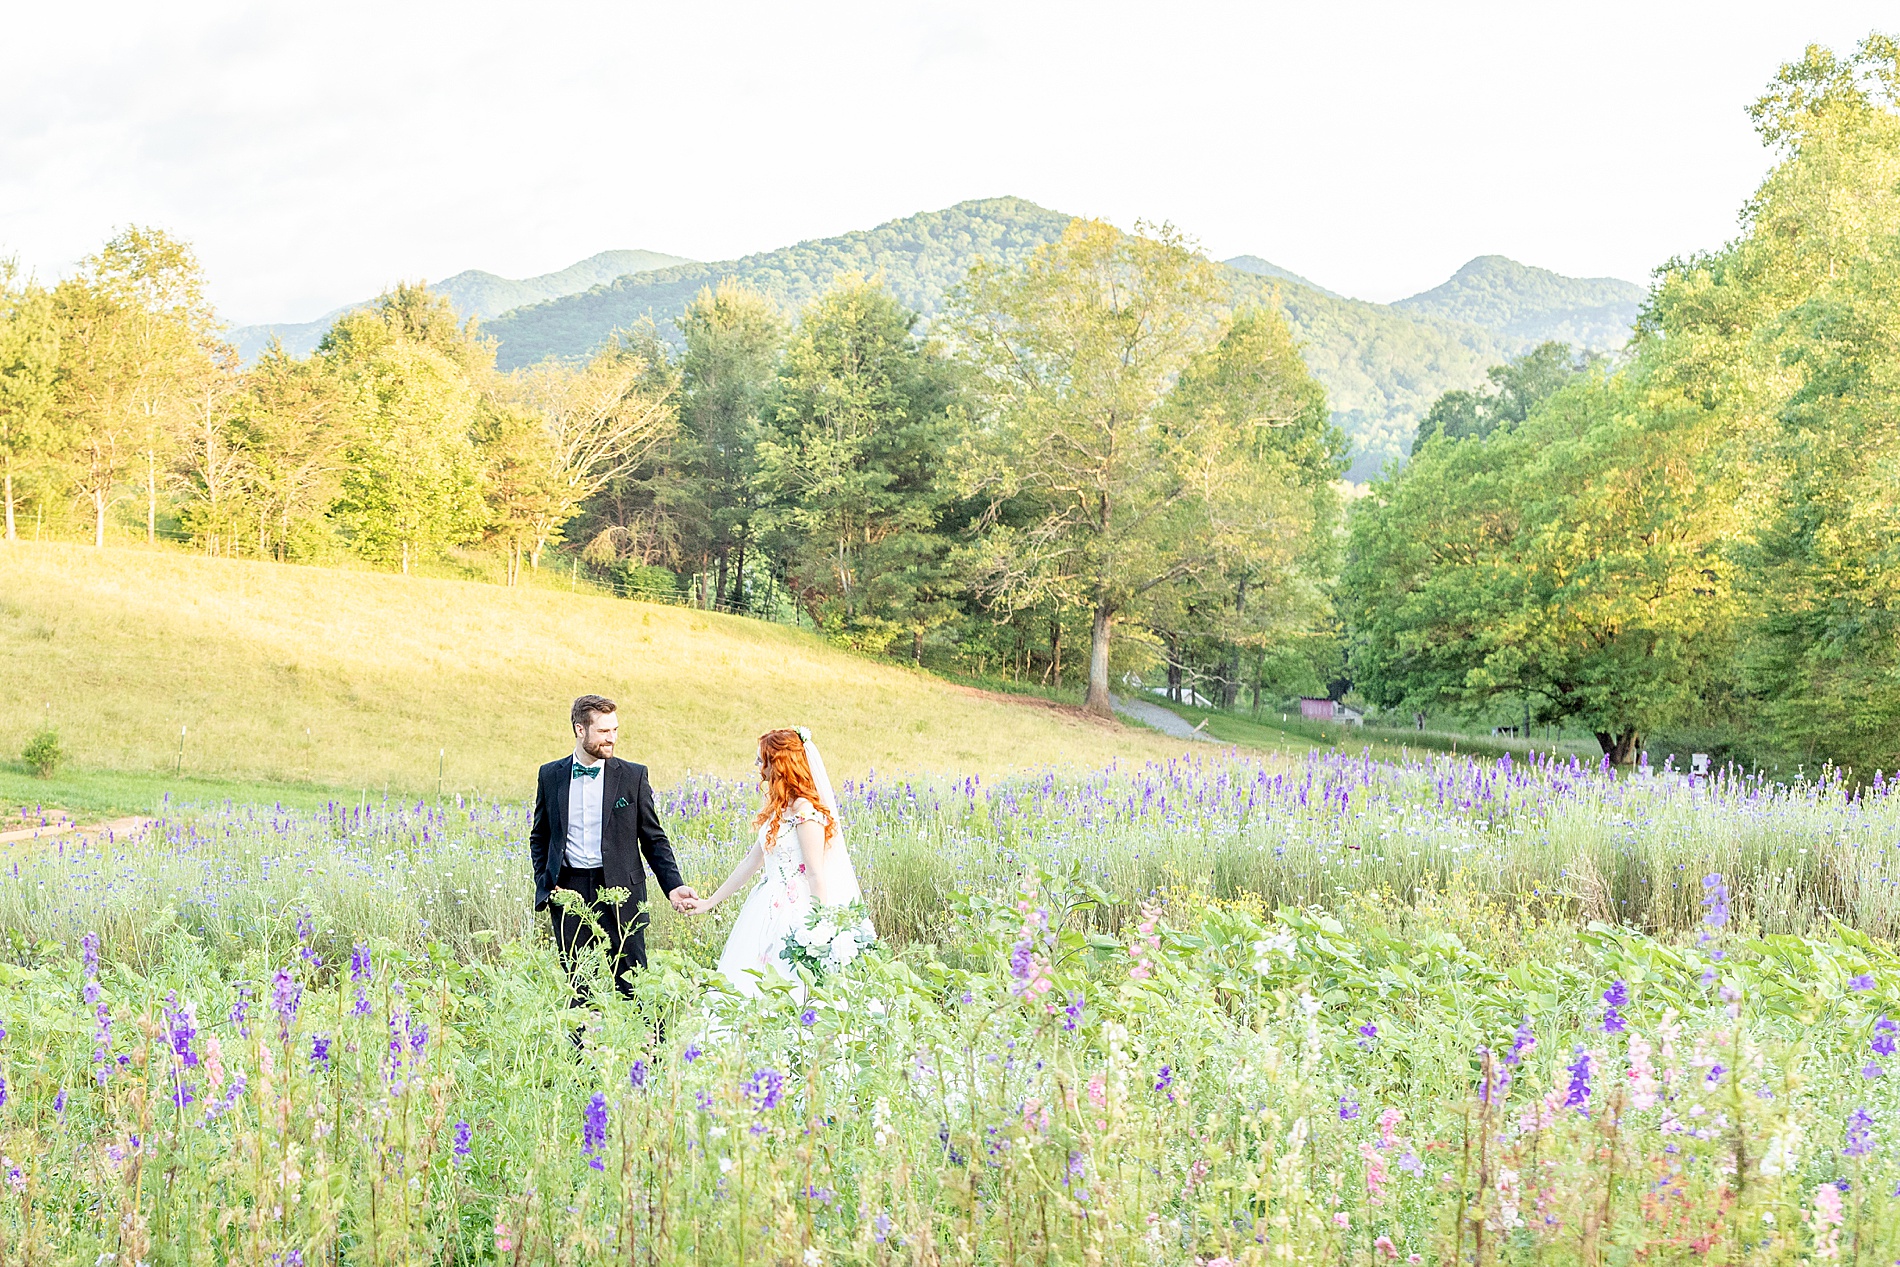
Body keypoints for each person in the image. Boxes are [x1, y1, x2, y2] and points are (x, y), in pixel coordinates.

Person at [529, 694, 697, 1013]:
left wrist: (673, 886)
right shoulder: (550, 775)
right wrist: (546, 882)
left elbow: (653, 839)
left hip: (622, 894)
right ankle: (585, 1062)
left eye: (615, 730)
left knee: (634, 989)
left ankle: (647, 1059)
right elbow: (540, 835)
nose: (612, 738)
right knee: (580, 992)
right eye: (604, 731)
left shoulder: (633, 776)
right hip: (569, 892)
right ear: (580, 729)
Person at [682, 727, 868, 996]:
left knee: (790, 984)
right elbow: (750, 862)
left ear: (779, 765)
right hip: (765, 906)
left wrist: (820, 926)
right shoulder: (780, 809)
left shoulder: (806, 814)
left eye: (762, 760)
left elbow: (816, 874)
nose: (758, 767)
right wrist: (709, 902)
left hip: (796, 911)